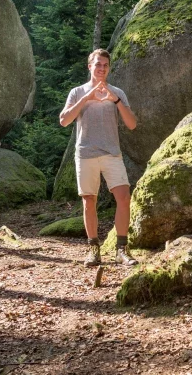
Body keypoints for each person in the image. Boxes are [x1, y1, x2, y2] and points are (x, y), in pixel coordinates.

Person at [59, 49, 139, 267]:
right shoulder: (77, 92)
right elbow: (64, 121)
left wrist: (115, 101)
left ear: (109, 68)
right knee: (89, 201)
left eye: (105, 65)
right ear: (90, 67)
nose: (101, 68)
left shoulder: (118, 93)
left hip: (112, 153)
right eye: (98, 65)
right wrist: (87, 97)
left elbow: (132, 124)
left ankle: (121, 250)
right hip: (85, 153)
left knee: (123, 197)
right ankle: (93, 249)